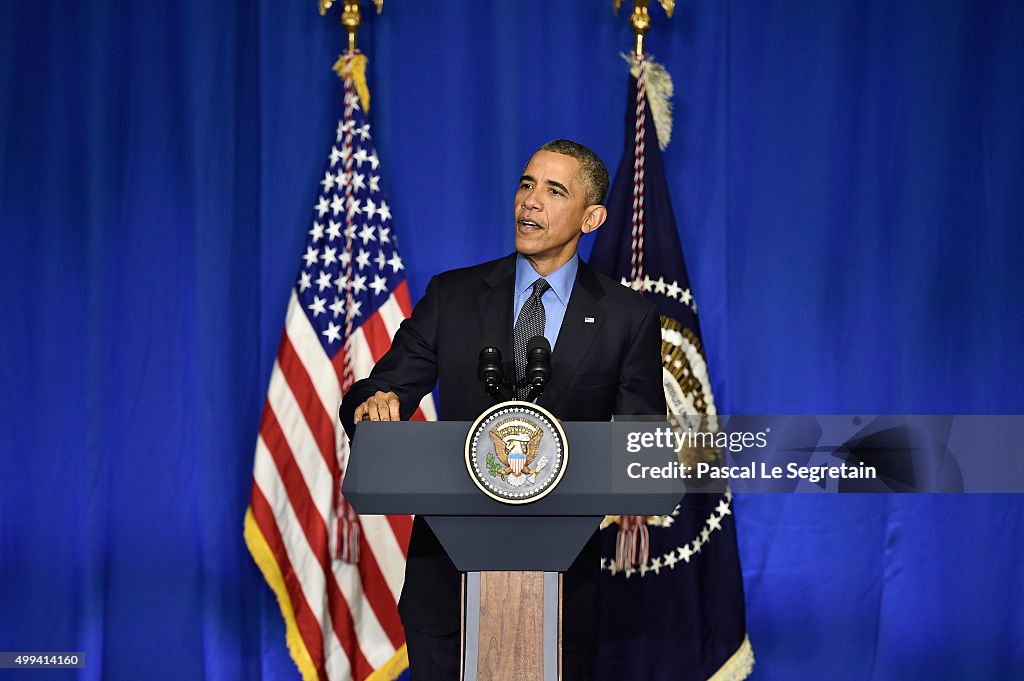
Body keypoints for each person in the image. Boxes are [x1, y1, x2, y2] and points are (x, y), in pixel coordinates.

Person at [339, 139, 665, 680]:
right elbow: (377, 389)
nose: (529, 201)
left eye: (554, 190)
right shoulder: (454, 296)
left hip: (560, 586)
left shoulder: (628, 317)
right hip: (446, 578)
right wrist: (377, 401)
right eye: (526, 183)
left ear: (593, 217)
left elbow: (639, 440)